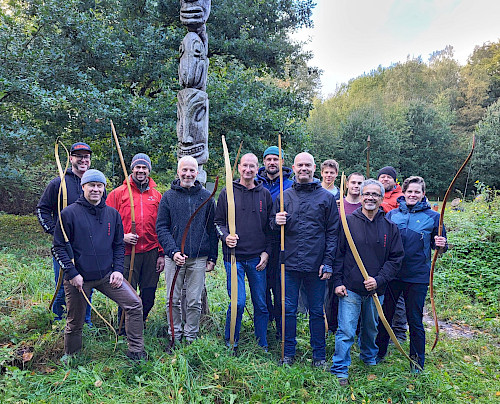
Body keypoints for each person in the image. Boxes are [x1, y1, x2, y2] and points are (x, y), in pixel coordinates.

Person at [52, 169, 146, 360]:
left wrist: (118, 271)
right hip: (79, 278)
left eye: (99, 186)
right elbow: (58, 248)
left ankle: (136, 351)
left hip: (106, 276)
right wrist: (72, 274)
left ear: (104, 188)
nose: (95, 189)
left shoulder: (112, 214)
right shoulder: (69, 214)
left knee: (134, 304)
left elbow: (119, 245)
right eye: (91, 185)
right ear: (83, 187)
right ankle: (71, 356)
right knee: (75, 320)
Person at [330, 179, 404, 385]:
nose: (370, 198)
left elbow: (396, 258)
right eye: (367, 194)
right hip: (350, 288)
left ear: (382, 199)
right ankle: (340, 368)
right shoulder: (347, 223)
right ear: (361, 197)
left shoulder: (390, 226)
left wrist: (379, 279)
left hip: (375, 290)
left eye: (375, 194)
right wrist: (337, 282)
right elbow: (338, 255)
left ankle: (368, 358)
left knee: (371, 328)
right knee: (345, 330)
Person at [271, 152, 339, 368]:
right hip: (289, 263)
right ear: (293, 167)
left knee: (317, 311)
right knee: (288, 309)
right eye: (300, 165)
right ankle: (288, 353)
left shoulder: (326, 198)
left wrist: (328, 261)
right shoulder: (284, 196)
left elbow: (332, 233)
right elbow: (272, 230)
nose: (303, 168)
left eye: (307, 165)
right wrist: (276, 221)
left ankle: (319, 356)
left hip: (317, 265)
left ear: (314, 168)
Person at [376, 176, 448, 372]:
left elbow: (440, 247)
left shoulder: (433, 217)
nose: (413, 195)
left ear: (423, 194)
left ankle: (417, 362)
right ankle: (378, 353)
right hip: (392, 275)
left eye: (417, 192)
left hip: (417, 277)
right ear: (404, 193)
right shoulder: (393, 215)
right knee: (385, 315)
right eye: (410, 191)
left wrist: (441, 245)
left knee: (414, 319)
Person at [156, 156, 218, 344]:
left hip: (198, 258)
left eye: (192, 170)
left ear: (197, 173)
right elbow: (162, 227)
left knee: (193, 301)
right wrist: (173, 251)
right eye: (184, 170)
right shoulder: (168, 196)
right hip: (174, 258)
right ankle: (174, 335)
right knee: (171, 300)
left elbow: (212, 229)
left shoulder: (206, 196)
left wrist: (212, 257)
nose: (188, 174)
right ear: (178, 172)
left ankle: (191, 336)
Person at [215, 153, 272, 353]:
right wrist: (225, 237)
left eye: (252, 166)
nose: (248, 170)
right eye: (245, 166)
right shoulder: (227, 192)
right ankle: (231, 342)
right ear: (239, 167)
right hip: (234, 258)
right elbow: (218, 223)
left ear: (258, 169)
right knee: (238, 303)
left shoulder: (264, 194)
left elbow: (269, 228)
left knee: (261, 303)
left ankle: (262, 343)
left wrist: (266, 252)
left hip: (257, 258)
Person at [37, 142, 93, 325]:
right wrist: (54, 232)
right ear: (71, 159)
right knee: (63, 286)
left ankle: (85, 323)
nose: (83, 160)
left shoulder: (94, 184)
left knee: (86, 286)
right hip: (64, 247)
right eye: (79, 156)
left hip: (87, 247)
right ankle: (59, 324)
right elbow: (42, 209)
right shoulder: (58, 183)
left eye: (86, 157)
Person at [106, 153, 165, 328]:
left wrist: (161, 253)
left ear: (149, 170)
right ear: (132, 169)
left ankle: (141, 320)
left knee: (149, 293)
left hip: (151, 251)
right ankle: (123, 327)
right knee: (125, 292)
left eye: (144, 167)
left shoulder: (156, 196)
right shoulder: (118, 194)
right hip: (125, 252)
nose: (140, 170)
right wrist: (121, 237)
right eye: (137, 167)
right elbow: (106, 223)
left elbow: (162, 225)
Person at [256, 146, 293, 337]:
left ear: (282, 162)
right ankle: (264, 324)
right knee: (261, 288)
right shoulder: (255, 183)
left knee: (280, 288)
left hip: (282, 243)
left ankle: (281, 329)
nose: (272, 162)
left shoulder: (290, 185)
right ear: (264, 162)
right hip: (259, 242)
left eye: (276, 159)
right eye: (269, 159)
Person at [377, 165, 406, 341]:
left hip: (395, 248)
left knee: (397, 294)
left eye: (388, 177)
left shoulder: (401, 197)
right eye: (382, 177)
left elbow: (398, 213)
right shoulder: (375, 192)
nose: (385, 179)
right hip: (379, 249)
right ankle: (380, 330)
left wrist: (381, 205)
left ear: (394, 181)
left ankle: (400, 331)